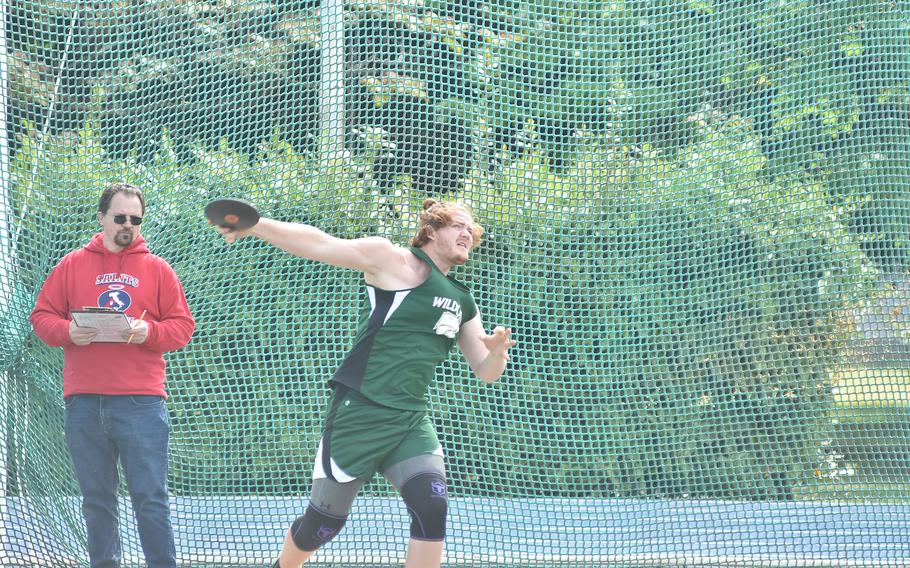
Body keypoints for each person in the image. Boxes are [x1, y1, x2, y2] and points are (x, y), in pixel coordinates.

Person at [214, 198, 515, 568]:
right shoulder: (391, 260)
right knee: (322, 526)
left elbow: (485, 371)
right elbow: (321, 244)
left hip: (409, 421)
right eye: (458, 225)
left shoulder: (462, 301)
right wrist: (255, 225)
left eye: (472, 229)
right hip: (359, 412)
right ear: (431, 229)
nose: (468, 233)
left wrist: (497, 352)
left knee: (432, 505)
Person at [30, 182, 195, 568]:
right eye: (120, 217)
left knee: (150, 498)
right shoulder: (71, 264)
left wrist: (148, 332)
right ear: (101, 217)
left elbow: (183, 327)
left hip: (142, 403)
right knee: (96, 501)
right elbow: (41, 318)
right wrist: (68, 331)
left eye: (135, 220)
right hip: (84, 402)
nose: (128, 225)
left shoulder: (158, 270)